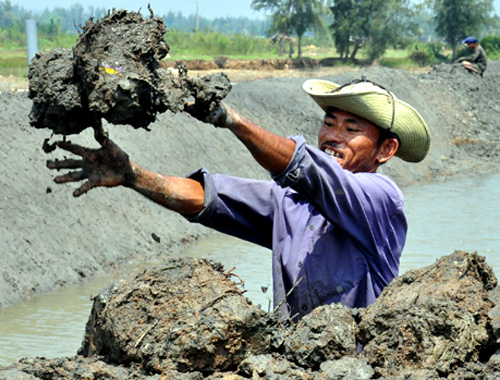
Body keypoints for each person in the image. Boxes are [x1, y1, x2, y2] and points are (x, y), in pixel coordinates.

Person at [46, 77, 431, 320]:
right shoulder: (292, 204)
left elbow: (309, 170)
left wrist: (233, 121)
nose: (333, 136)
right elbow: (209, 200)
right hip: (299, 361)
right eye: (329, 123)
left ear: (385, 150)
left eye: (352, 128)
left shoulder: (380, 198)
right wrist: (132, 175)